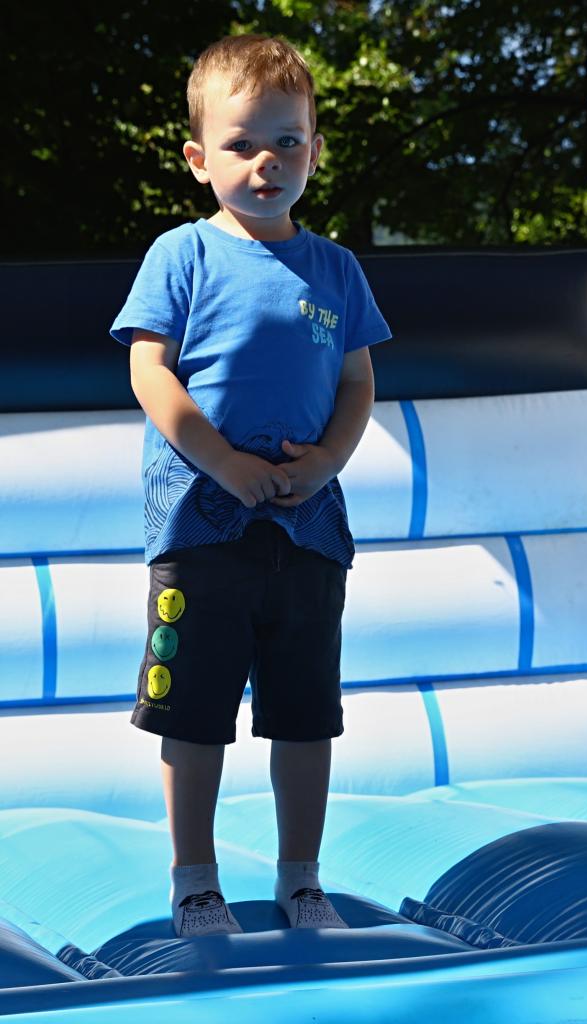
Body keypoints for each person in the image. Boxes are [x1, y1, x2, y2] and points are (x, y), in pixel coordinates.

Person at [110, 32, 392, 938]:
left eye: (286, 141)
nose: (265, 161)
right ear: (198, 158)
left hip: (306, 527)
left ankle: (299, 878)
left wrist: (328, 461)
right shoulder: (183, 254)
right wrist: (223, 463)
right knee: (193, 711)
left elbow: (356, 382)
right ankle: (195, 880)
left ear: (314, 150)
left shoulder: (335, 269)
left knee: (305, 713)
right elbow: (150, 371)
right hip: (203, 525)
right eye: (240, 144)